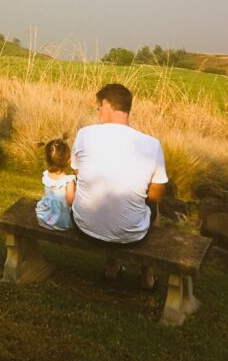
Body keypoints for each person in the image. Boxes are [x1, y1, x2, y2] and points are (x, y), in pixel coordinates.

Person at [71, 83, 168, 290]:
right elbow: (156, 195)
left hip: (84, 226)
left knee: (102, 193)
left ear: (106, 105)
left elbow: (78, 173)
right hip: (130, 236)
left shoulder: (84, 134)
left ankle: (112, 266)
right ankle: (147, 274)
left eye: (98, 108)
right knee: (152, 208)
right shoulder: (152, 145)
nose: (97, 113)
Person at [35, 139, 76, 230]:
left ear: (47, 159)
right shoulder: (69, 180)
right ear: (68, 159)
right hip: (62, 221)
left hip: (44, 217)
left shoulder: (46, 175)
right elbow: (70, 202)